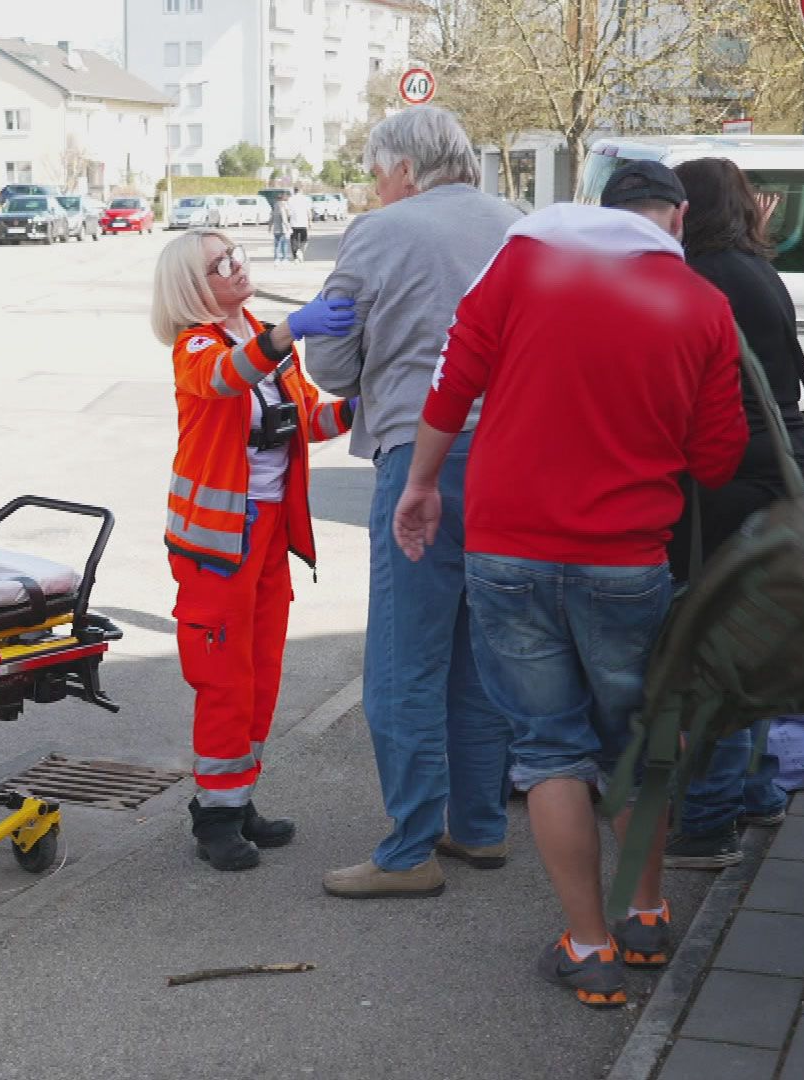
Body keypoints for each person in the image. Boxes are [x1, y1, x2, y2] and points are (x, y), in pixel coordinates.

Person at [393, 160, 748, 1007]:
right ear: (679, 218)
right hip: (626, 562)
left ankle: (588, 949)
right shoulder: (701, 304)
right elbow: (719, 459)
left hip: (509, 552)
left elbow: (452, 380)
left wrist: (419, 486)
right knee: (636, 741)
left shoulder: (524, 263)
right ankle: (649, 915)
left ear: (597, 210)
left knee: (549, 748)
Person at [304, 105, 521, 900]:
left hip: (421, 457)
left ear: (401, 170)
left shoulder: (379, 231)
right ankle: (481, 825)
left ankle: (408, 849)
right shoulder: (518, 225)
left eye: (374, 173)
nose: (374, 186)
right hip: (513, 461)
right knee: (479, 649)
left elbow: (329, 362)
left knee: (404, 659)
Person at [151, 228, 357, 871]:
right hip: (218, 545)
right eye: (221, 263)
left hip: (266, 534)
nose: (237, 266)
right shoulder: (198, 347)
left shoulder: (264, 337)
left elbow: (306, 420)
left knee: (263, 672)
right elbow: (222, 379)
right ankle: (214, 816)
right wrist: (289, 331)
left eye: (236, 255)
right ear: (193, 286)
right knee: (224, 681)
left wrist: (359, 402)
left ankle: (236, 800)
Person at [660, 157, 804, 868]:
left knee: (709, 654)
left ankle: (706, 821)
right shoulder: (757, 272)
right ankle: (759, 793)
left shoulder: (698, 278)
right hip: (780, 471)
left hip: (724, 482)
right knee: (746, 642)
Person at [284, 187, 312, 262]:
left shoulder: (290, 199)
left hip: (293, 223)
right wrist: (310, 222)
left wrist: (287, 221)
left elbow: (287, 212)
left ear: (294, 191)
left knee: (293, 240)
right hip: (303, 223)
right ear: (301, 191)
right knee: (305, 240)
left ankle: (295, 257)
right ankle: (301, 251)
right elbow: (308, 211)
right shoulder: (306, 199)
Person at [270, 194, 291, 264]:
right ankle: (285, 258)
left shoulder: (275, 207)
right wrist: (288, 228)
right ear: (282, 199)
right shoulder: (282, 207)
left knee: (276, 244)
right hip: (282, 229)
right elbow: (284, 219)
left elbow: (271, 218)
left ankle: (276, 258)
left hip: (276, 229)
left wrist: (269, 227)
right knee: (284, 244)